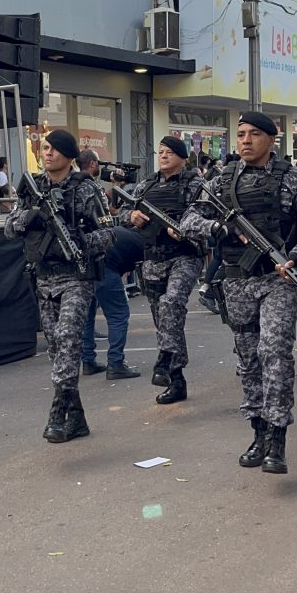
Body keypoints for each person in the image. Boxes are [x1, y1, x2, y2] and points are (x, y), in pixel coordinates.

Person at [181, 111, 297, 473]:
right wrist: (219, 229)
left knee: (274, 352)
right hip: (237, 280)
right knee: (248, 358)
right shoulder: (222, 179)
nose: (245, 140)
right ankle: (258, 432)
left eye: (253, 134)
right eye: (241, 134)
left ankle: (277, 437)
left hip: (279, 279)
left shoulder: (292, 179)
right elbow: (189, 220)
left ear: (271, 139)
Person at [5, 129, 114, 442]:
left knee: (67, 339)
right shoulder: (33, 187)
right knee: (57, 350)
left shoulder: (87, 189)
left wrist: (80, 240)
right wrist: (31, 217)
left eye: (54, 149)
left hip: (76, 276)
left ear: (68, 155)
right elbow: (9, 228)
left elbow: (109, 234)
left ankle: (57, 413)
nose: (48, 153)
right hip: (44, 278)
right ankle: (76, 418)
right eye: (45, 148)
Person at [123, 136, 203, 405]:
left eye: (170, 152)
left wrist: (186, 228)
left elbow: (206, 214)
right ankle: (176, 380)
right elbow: (123, 212)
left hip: (184, 256)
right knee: (163, 319)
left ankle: (165, 360)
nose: (164, 156)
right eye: (161, 152)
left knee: (172, 304)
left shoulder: (195, 185)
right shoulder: (146, 185)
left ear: (182, 158)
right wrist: (131, 216)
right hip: (153, 258)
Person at [81, 225, 144, 379]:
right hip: (105, 267)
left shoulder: (127, 234)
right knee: (118, 315)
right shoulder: (146, 243)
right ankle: (116, 364)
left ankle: (88, 361)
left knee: (87, 315)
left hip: (85, 265)